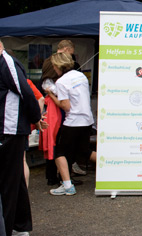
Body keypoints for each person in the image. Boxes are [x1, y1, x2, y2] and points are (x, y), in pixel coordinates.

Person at [0, 41, 45, 236]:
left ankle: (9, 228)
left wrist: (36, 118)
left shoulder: (7, 62)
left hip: (9, 130)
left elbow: (26, 91)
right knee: (14, 179)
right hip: (7, 129)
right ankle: (20, 226)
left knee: (9, 182)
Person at [45, 52, 96, 196]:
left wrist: (52, 95)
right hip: (87, 120)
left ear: (57, 66)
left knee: (59, 152)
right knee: (84, 151)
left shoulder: (61, 82)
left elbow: (66, 106)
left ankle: (67, 185)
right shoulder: (81, 76)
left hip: (73, 121)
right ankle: (110, 170)